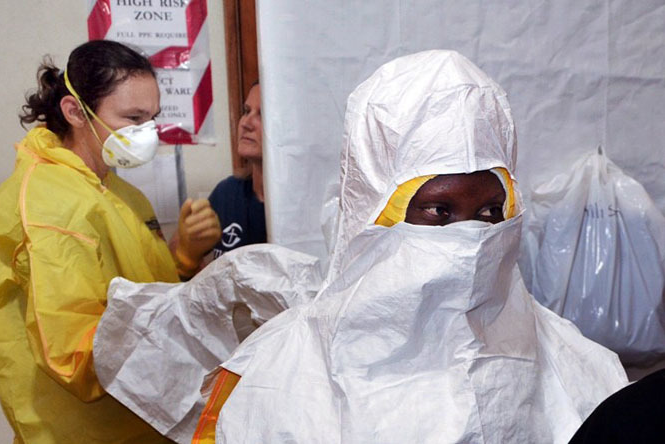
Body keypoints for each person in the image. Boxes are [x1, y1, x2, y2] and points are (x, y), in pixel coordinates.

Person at [190, 50, 628, 443]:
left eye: (491, 212)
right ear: (371, 214)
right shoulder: (277, 379)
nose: (470, 239)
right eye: (439, 211)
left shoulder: (576, 365)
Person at [0, 40, 219, 443]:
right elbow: (77, 358)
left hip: (141, 425)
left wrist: (182, 258)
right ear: (74, 112)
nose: (147, 134)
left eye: (152, 119)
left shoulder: (115, 190)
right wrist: (194, 322)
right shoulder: (48, 203)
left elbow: (131, 285)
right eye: (132, 118)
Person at [205, 83, 266, 261]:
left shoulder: (301, 206)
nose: (246, 123)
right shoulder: (227, 193)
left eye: (262, 114)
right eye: (247, 111)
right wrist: (187, 254)